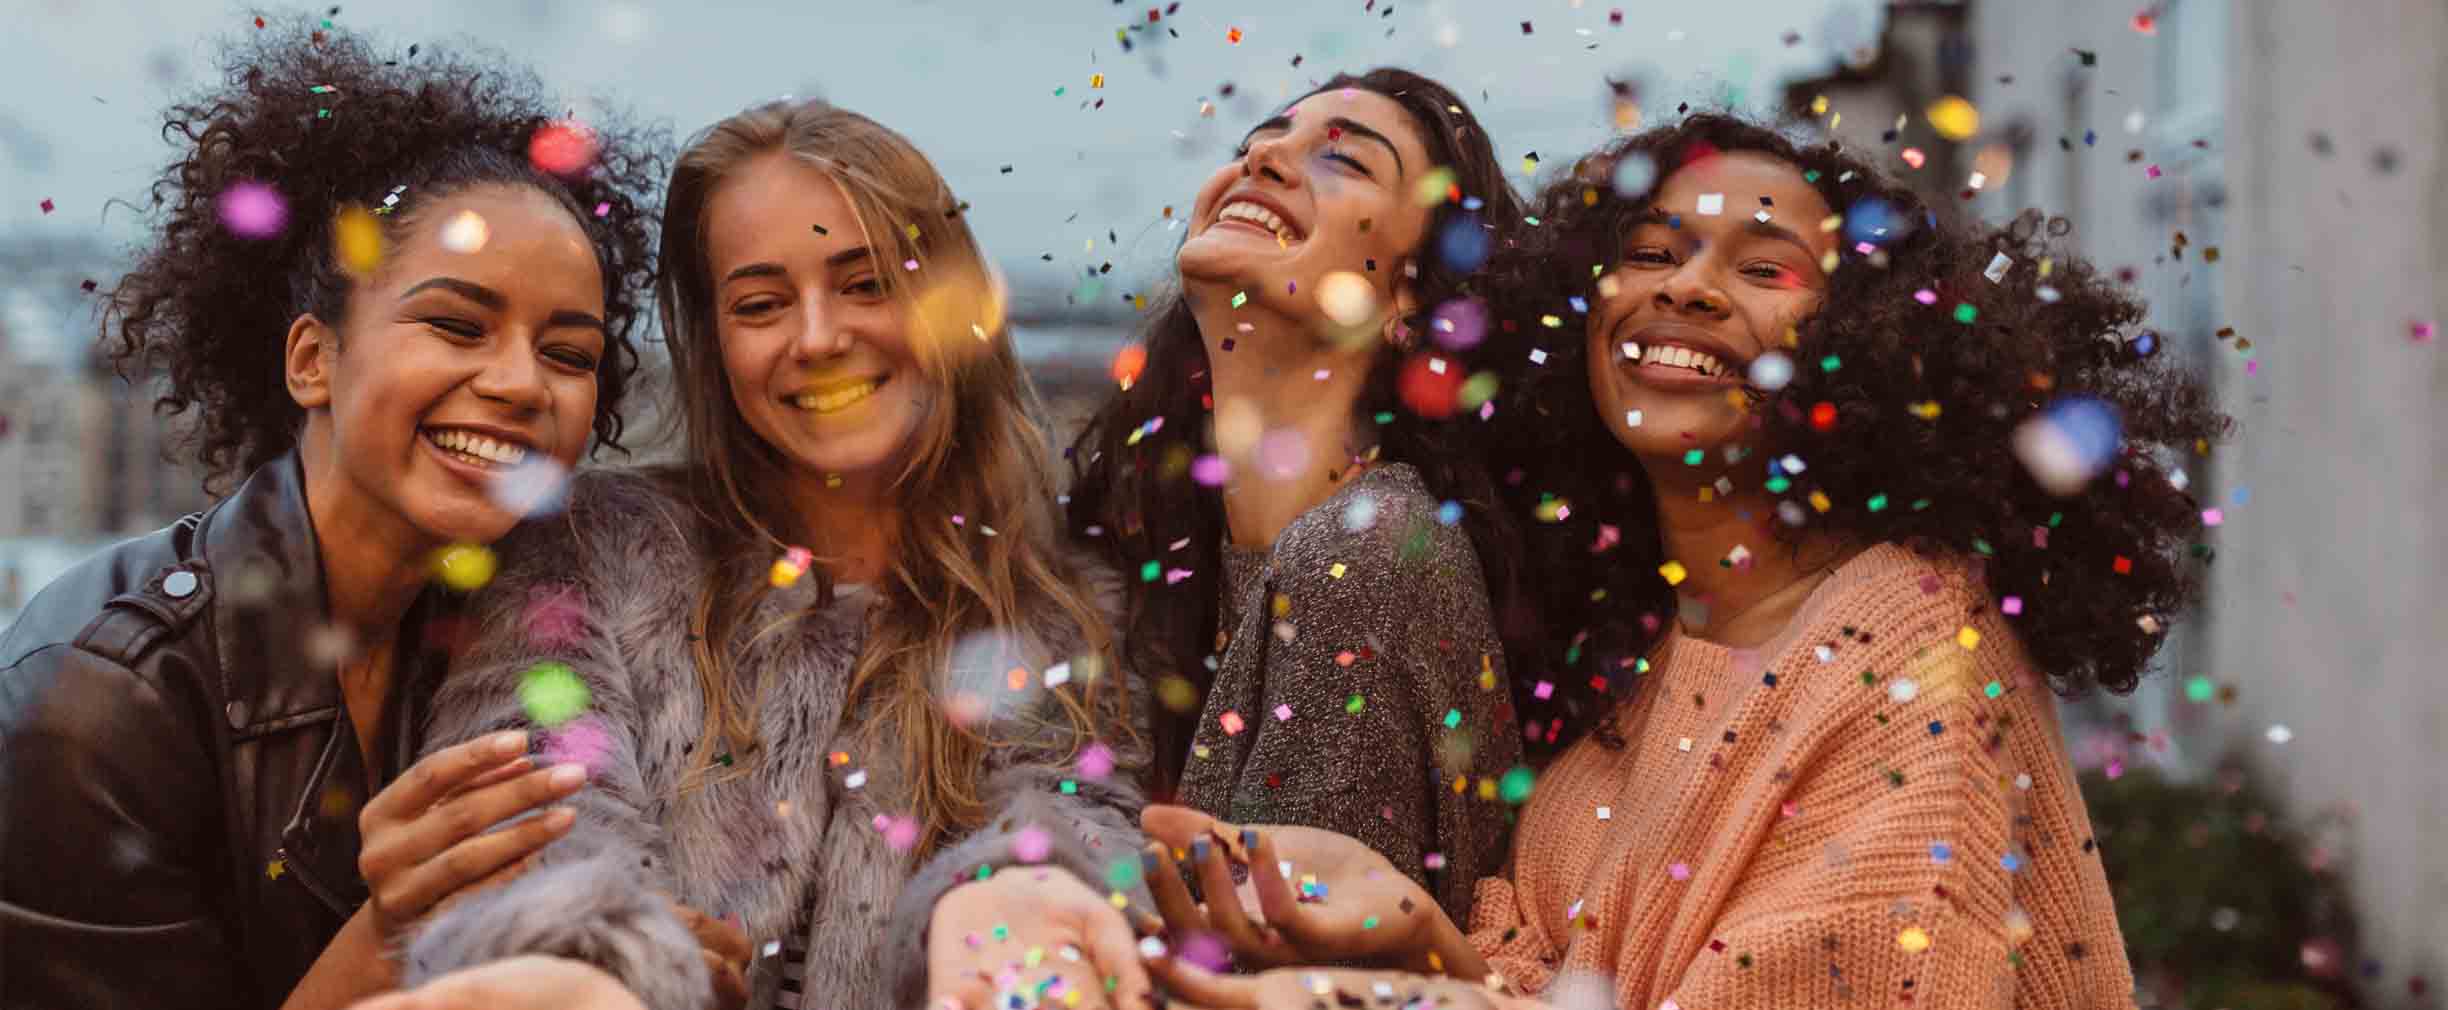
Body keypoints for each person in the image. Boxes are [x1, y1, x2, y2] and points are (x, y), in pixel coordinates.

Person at [1133, 112, 2226, 1010]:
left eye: (1765, 266)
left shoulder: (1912, 651)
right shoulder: (1650, 653)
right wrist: (1427, 942)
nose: (1687, 289)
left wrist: (1417, 981)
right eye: (1651, 253)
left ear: (1869, 340)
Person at [393, 99, 1151, 1010]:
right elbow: (530, 811)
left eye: (867, 284)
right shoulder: (591, 551)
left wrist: (1011, 909)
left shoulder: (1060, 605)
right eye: (761, 304)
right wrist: (606, 954)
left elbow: (1069, 819)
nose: (820, 338)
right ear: (715, 342)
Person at [0, 18, 668, 1010]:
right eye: (456, 323)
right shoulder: (99, 700)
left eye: (569, 353)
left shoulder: (535, 635)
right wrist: (400, 928)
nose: (523, 382)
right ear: (312, 359)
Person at [1064, 68, 1532, 930]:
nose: (1267, 156)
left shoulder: (1364, 555)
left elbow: (1290, 970)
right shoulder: (1183, 554)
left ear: (1405, 298)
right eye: (1256, 142)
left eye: (1345, 161)